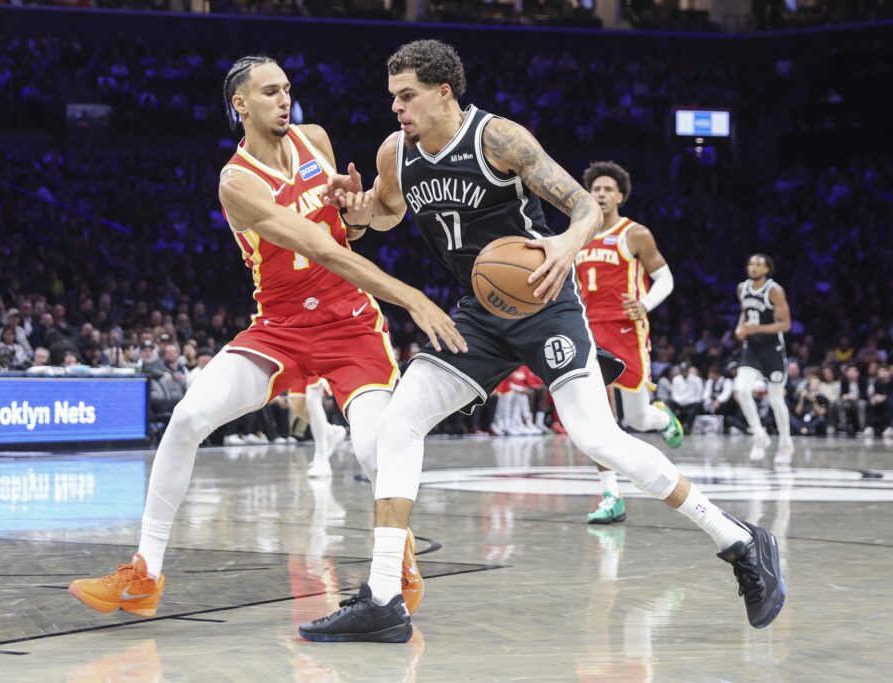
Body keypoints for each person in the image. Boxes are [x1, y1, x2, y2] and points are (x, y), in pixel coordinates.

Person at [301, 40, 784, 642]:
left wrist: (565, 243)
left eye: (408, 95)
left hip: (543, 302)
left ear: (444, 91)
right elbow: (386, 212)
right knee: (400, 423)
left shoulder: (499, 139)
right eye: (393, 96)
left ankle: (740, 541)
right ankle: (382, 598)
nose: (396, 106)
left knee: (595, 436)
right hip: (478, 312)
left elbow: (581, 204)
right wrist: (355, 209)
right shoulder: (396, 152)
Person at [67, 55, 465, 619]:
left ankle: (397, 557)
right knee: (185, 419)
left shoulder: (316, 140)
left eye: (287, 89)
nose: (284, 99)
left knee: (378, 448)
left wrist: (353, 211)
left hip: (348, 322)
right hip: (279, 327)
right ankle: (145, 573)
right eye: (270, 91)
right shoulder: (237, 181)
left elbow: (350, 234)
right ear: (241, 104)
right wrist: (413, 296)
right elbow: (321, 249)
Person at [575, 160, 684, 524]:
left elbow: (665, 278)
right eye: (596, 189)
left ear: (620, 196)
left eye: (608, 189)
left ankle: (660, 417)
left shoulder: (634, 234)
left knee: (636, 418)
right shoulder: (577, 233)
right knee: (597, 421)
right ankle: (611, 495)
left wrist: (645, 303)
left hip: (625, 330)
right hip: (587, 331)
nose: (601, 194)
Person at [733, 254, 794, 461]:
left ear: (767, 269)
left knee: (776, 400)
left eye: (759, 265)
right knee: (741, 389)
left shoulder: (774, 290)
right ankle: (759, 435)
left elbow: (785, 325)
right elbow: (745, 312)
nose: (753, 267)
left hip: (773, 350)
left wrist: (755, 328)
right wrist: (740, 328)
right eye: (751, 263)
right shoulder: (742, 288)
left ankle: (786, 443)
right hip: (753, 349)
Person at [290, 376, 347, 477]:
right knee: (297, 404)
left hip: (321, 360)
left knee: (312, 398)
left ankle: (321, 459)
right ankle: (331, 432)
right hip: (301, 359)